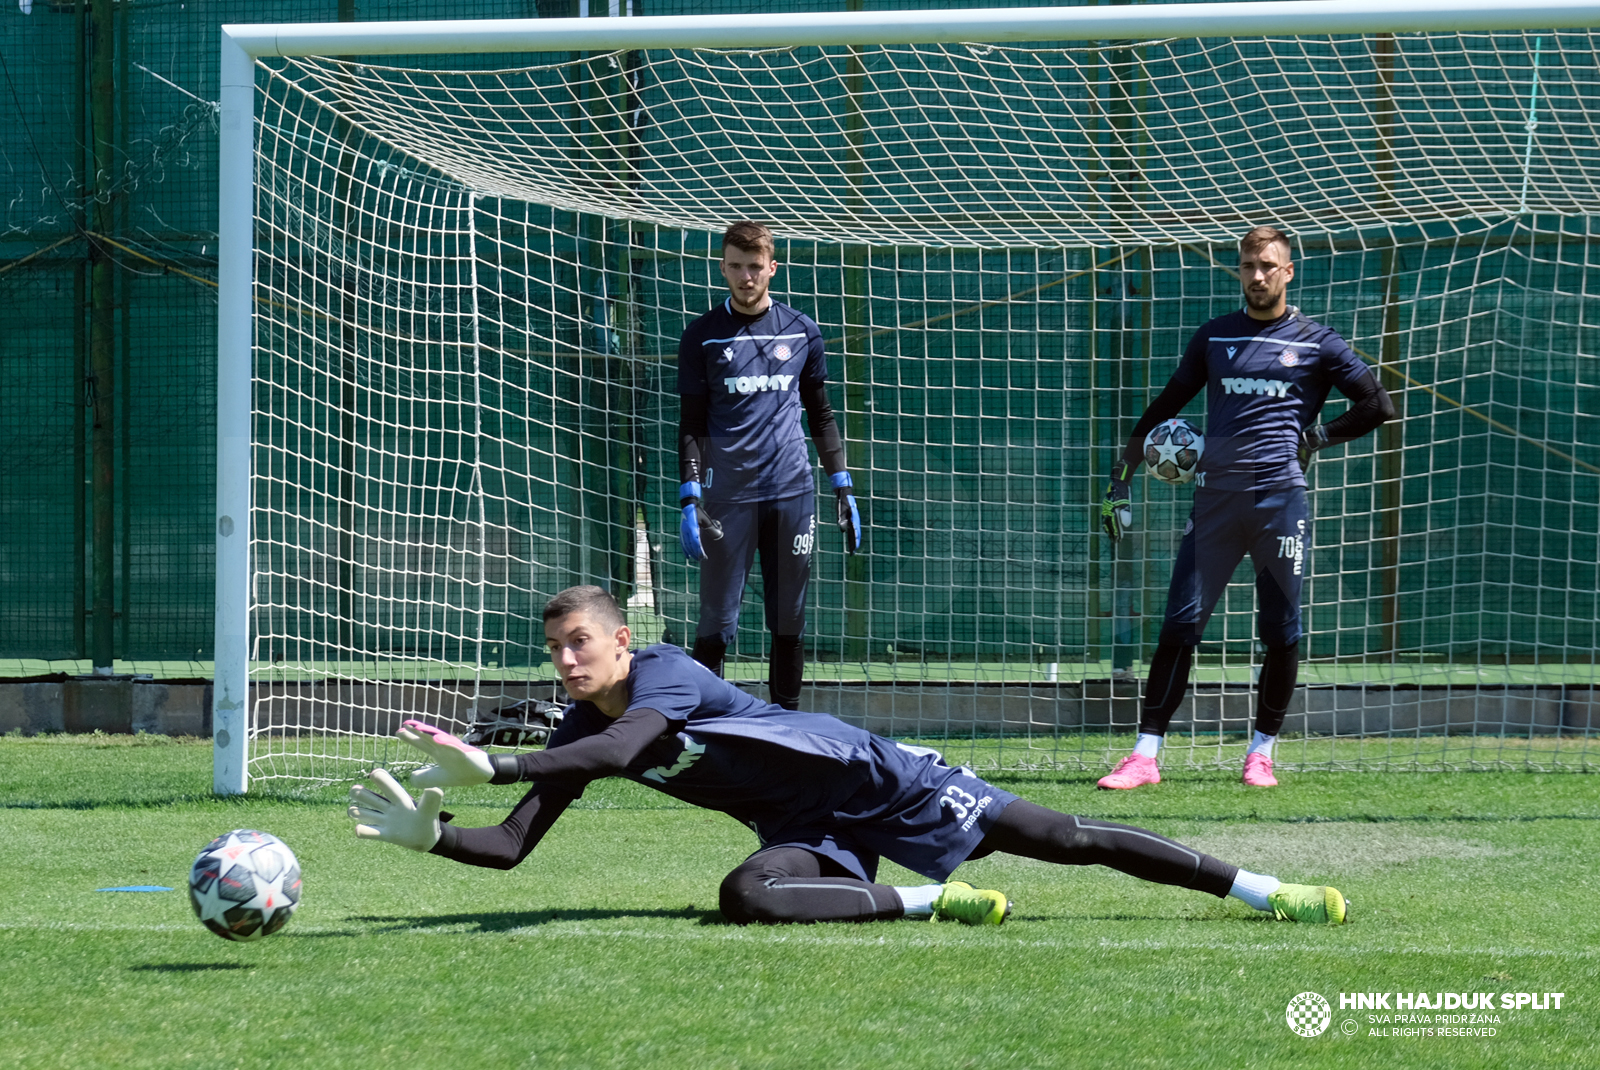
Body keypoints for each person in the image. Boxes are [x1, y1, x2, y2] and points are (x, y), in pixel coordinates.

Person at [348, 585, 1351, 927]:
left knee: (1066, 835)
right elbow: (514, 847)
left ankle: (1265, 890)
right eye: (554, 648)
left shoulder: (665, 674)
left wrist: (502, 761)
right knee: (744, 897)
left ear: (621, 639)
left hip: (880, 777)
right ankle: (925, 902)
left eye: (581, 643)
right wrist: (431, 835)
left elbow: (627, 745)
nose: (566, 660)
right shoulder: (575, 727)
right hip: (803, 828)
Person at [1098, 226, 1396, 790]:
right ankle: (1144, 756)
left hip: (1280, 504)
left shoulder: (1318, 342)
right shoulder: (1214, 338)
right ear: (1239, 272)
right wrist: (1122, 475)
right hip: (1214, 503)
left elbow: (1377, 404)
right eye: (1247, 266)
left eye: (1267, 266)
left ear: (1287, 272)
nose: (1257, 276)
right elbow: (1166, 404)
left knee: (1281, 630)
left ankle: (1261, 753)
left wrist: (1315, 439)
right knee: (1179, 626)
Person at [675, 220, 860, 710]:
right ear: (722, 267)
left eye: (755, 267)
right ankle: (703, 727)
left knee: (789, 617)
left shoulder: (802, 332)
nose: (746, 276)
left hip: (792, 495)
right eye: (736, 266)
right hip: (726, 501)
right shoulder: (703, 337)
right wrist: (689, 495)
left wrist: (841, 484)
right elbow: (692, 424)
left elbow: (820, 414)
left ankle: (786, 728)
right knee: (717, 621)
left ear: (772, 268)